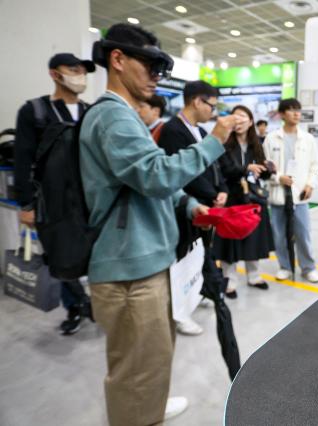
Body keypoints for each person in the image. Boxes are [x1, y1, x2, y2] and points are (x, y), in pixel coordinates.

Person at [79, 23, 239, 425]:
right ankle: (139, 413)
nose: (156, 76)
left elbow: (148, 182)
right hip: (128, 269)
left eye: (159, 67)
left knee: (149, 360)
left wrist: (189, 207)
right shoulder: (113, 117)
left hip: (143, 262)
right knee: (136, 369)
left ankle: (147, 404)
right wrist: (214, 141)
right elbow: (154, 175)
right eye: (149, 65)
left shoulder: (125, 117)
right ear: (117, 60)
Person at [14, 52, 95, 335]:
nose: (79, 75)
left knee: (91, 252)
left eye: (83, 70)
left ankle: (94, 303)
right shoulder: (35, 111)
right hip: (51, 199)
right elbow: (22, 160)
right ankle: (75, 305)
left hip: (88, 199)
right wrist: (25, 203)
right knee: (60, 255)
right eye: (72, 69)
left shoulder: (90, 111)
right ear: (54, 73)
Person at [157, 80, 229, 335]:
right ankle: (179, 313)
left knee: (199, 254)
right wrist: (210, 194)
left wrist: (221, 190)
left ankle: (199, 291)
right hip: (183, 206)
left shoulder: (199, 130)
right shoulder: (172, 131)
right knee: (182, 260)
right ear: (197, 101)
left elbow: (212, 165)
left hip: (203, 206)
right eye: (211, 105)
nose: (213, 111)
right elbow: (183, 173)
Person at [214, 105, 274, 297]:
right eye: (235, 117)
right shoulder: (224, 143)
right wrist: (246, 168)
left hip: (253, 200)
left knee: (254, 239)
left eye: (242, 118)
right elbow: (224, 170)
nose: (238, 122)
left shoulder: (257, 146)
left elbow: (261, 175)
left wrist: (268, 170)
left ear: (250, 122)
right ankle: (229, 280)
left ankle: (254, 275)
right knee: (229, 241)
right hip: (231, 199)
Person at [263, 98, 318, 283]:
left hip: (300, 195)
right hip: (279, 194)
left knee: (303, 234)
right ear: (281, 114)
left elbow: (315, 165)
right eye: (291, 110)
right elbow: (266, 167)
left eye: (298, 109)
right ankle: (285, 266)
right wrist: (278, 177)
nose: (296, 113)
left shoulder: (308, 139)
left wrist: (310, 184)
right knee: (279, 235)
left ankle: (308, 267)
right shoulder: (271, 138)